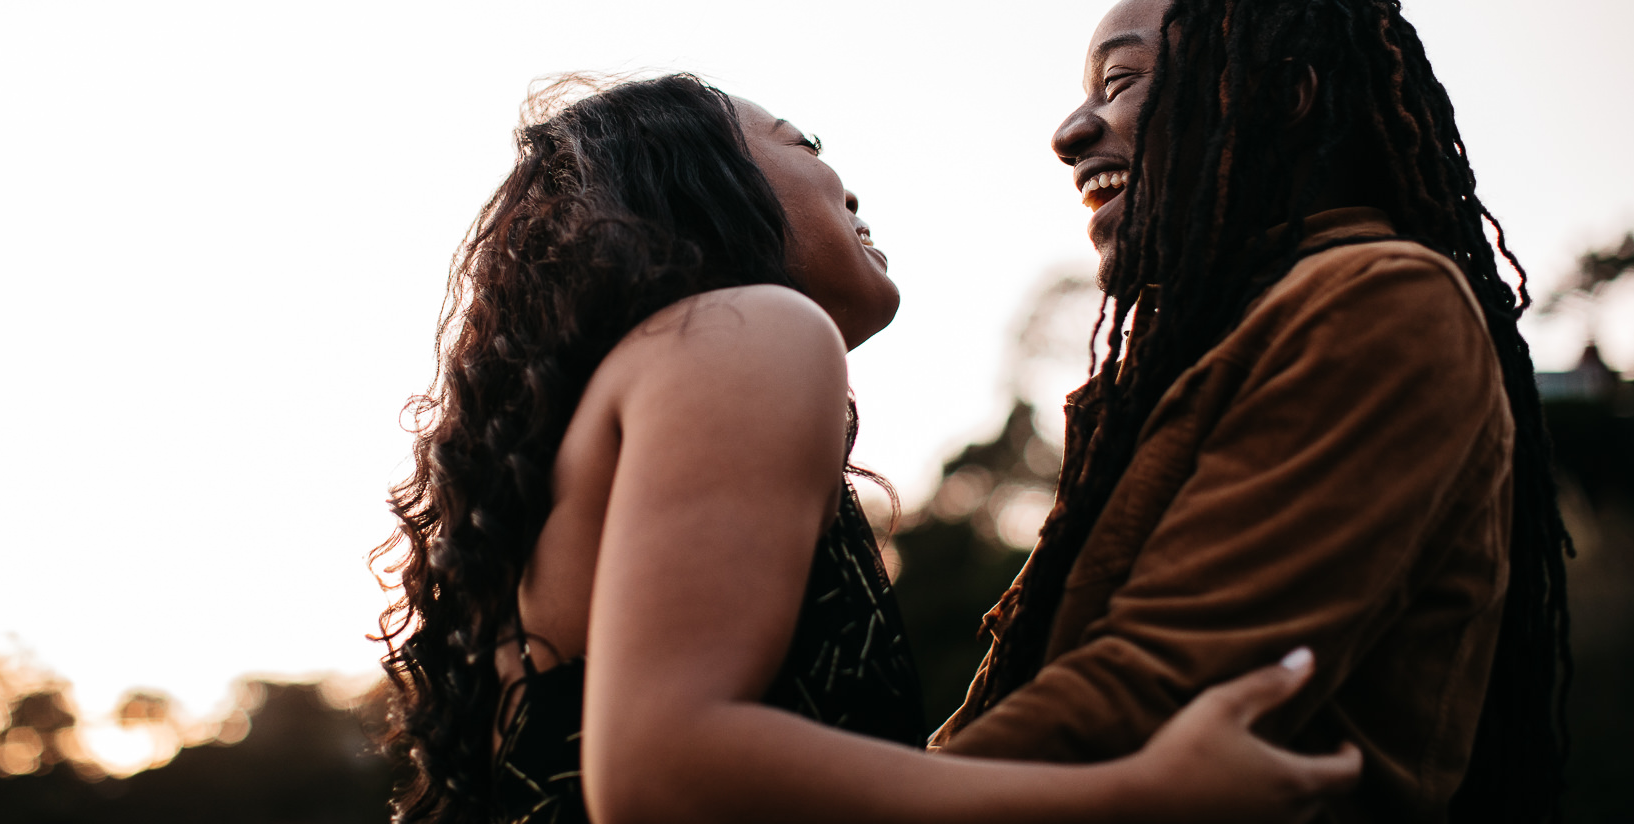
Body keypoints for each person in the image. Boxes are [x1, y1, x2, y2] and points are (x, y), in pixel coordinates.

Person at [374, 73, 1360, 824]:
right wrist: (1137, 792)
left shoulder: (645, 390)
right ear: (703, 187)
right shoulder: (754, 329)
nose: (843, 176)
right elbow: (660, 770)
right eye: (802, 143)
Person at [932, 0, 1571, 823]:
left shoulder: (1380, 302)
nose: (1070, 131)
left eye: (1117, 84)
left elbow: (1154, 697)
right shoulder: (1203, 351)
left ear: (1278, 96)